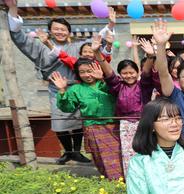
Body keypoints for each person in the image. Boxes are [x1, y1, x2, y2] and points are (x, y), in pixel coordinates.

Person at [6, 1, 114, 164]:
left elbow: (99, 43)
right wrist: (13, 9)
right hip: (57, 89)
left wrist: (110, 25)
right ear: (50, 31)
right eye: (56, 29)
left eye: (63, 29)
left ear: (69, 32)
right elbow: (20, 38)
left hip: (78, 87)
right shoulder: (40, 46)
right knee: (58, 121)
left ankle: (77, 152)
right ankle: (67, 152)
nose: (59, 32)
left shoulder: (78, 47)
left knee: (79, 121)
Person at [94, 36, 155, 175]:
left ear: (137, 72)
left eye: (131, 72)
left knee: (146, 152)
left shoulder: (143, 85)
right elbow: (108, 73)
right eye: (125, 73)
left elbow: (146, 73)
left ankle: (149, 177)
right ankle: (131, 179)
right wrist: (97, 53)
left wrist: (151, 56)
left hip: (143, 123)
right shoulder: (117, 86)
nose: (128, 76)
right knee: (128, 154)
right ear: (120, 75)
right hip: (125, 124)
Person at [51, 60, 122, 180]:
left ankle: (120, 181)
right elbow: (67, 107)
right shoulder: (76, 89)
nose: (87, 75)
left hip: (114, 126)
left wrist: (103, 80)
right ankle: (113, 182)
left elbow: (118, 92)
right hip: (93, 127)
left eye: (90, 71)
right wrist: (62, 90)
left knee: (117, 155)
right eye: (82, 72)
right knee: (100, 158)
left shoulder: (108, 83)